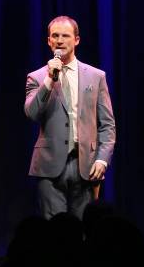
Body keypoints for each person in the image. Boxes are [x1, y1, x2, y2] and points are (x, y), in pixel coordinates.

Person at [25, 16, 116, 220]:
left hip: (86, 165)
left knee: (85, 229)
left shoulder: (96, 76)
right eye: (55, 36)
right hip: (50, 166)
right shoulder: (37, 77)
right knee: (53, 233)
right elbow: (32, 112)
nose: (59, 40)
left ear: (76, 40)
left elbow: (107, 125)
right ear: (49, 41)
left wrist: (102, 159)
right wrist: (50, 80)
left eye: (65, 36)